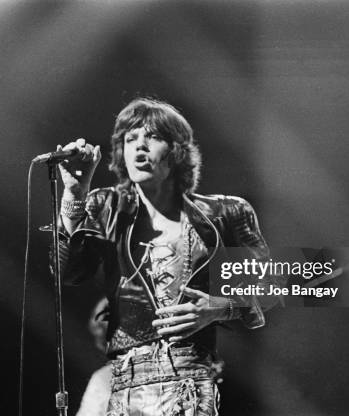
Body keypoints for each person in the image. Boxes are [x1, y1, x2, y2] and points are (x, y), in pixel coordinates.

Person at [57, 98, 270, 415]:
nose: (139, 147)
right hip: (125, 384)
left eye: (152, 137)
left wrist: (221, 307)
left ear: (177, 151)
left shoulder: (227, 212)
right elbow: (69, 273)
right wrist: (75, 195)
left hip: (188, 381)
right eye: (130, 140)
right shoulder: (105, 207)